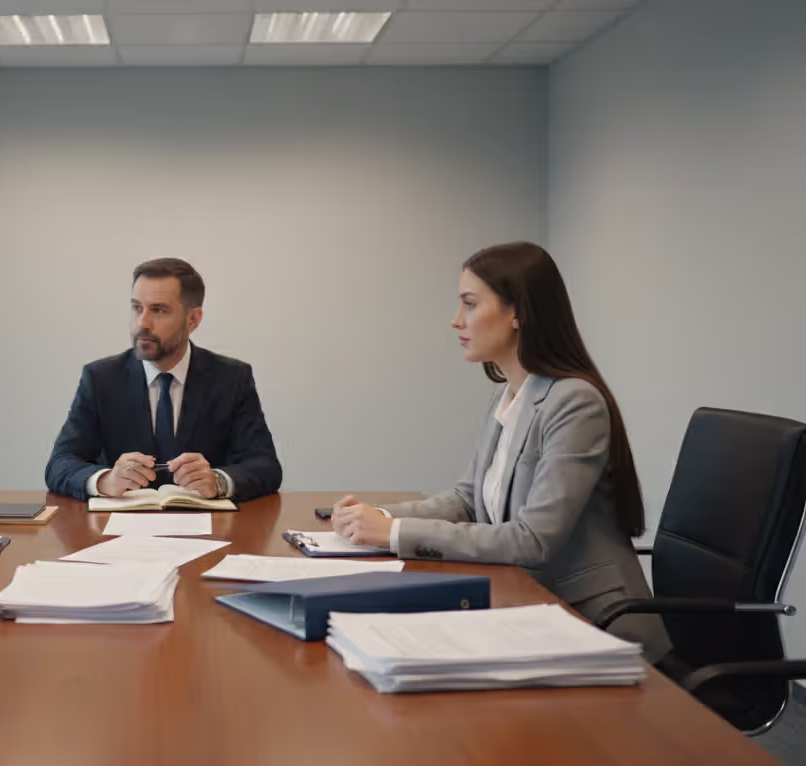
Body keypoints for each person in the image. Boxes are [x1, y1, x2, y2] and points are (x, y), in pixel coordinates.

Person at [331, 242, 666, 653]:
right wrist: (376, 518)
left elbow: (533, 541)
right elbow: (469, 499)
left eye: (470, 304)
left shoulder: (575, 402)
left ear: (517, 313)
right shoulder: (509, 395)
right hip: (531, 608)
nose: (456, 321)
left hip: (597, 625)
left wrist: (395, 532)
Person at [45, 258, 282, 502]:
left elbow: (265, 466)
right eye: (137, 308)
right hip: (118, 530)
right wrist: (106, 480)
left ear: (193, 320)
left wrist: (218, 480)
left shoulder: (232, 378)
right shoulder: (100, 378)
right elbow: (60, 464)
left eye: (158, 310)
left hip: (210, 530)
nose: (142, 323)